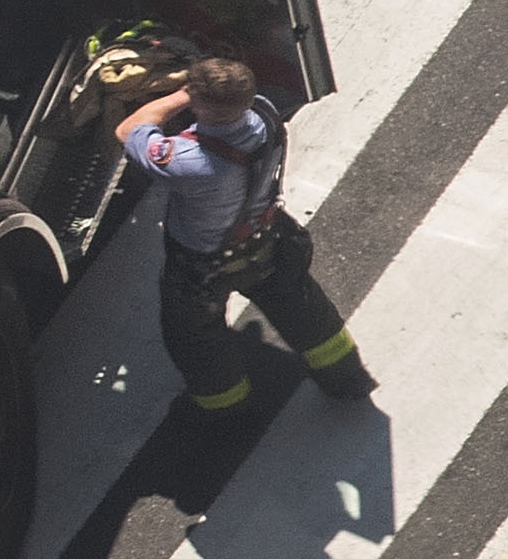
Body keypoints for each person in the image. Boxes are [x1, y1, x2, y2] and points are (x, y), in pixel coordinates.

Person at [120, 57, 371, 411]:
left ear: (199, 103)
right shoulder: (265, 114)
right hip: (267, 240)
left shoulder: (189, 161)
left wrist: (181, 94)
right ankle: (347, 379)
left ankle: (227, 409)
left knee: (196, 340)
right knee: (304, 312)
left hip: (202, 267)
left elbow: (129, 130)